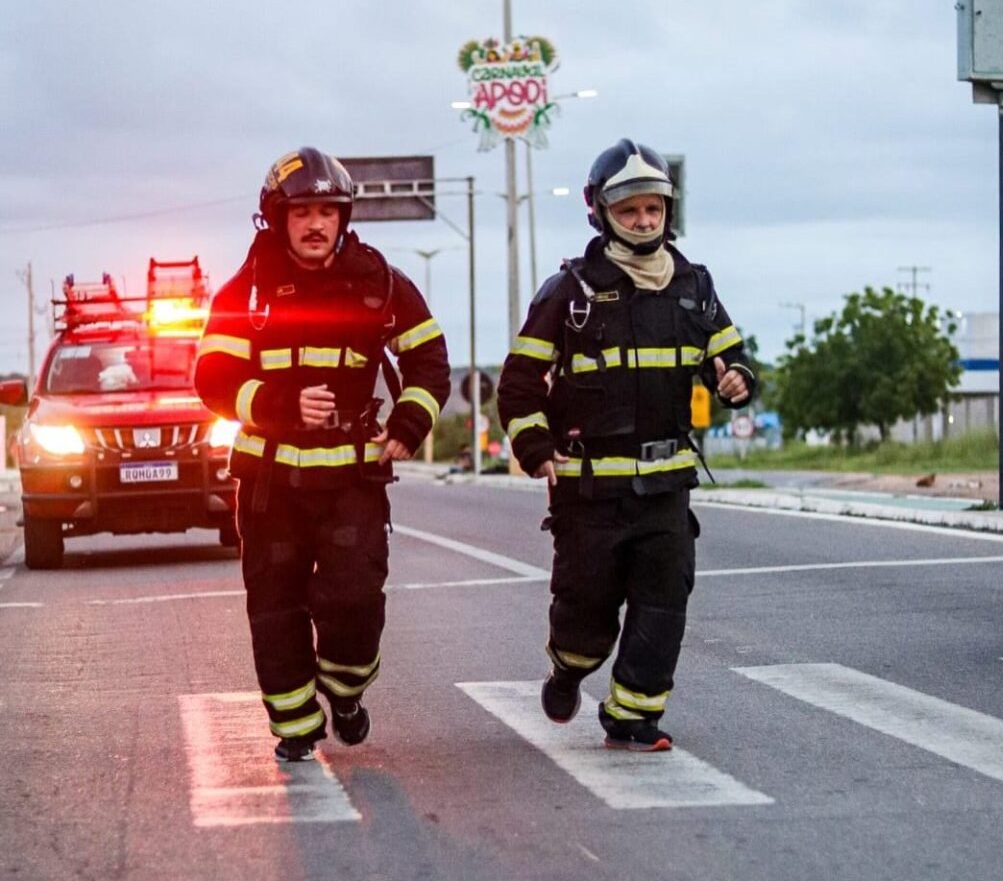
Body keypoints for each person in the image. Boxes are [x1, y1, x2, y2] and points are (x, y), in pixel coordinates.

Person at [497, 139, 756, 752]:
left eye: (653, 209)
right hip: (590, 493)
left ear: (668, 211)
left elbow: (731, 356)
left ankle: (634, 715)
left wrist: (739, 380)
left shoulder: (695, 287)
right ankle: (569, 669)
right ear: (601, 213)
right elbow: (518, 384)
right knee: (585, 615)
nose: (644, 221)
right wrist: (535, 446)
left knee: (664, 602)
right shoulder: (568, 292)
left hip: (666, 487)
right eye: (630, 210)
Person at [195, 147, 451, 762]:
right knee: (275, 610)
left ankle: (345, 690)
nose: (316, 224)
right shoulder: (244, 293)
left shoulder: (380, 282)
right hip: (269, 485)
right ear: (277, 218)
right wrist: (279, 404)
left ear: (344, 217)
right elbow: (211, 378)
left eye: (328, 212)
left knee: (355, 600)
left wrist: (410, 421)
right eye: (302, 212)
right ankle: (295, 726)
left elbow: (429, 359)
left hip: (352, 481)